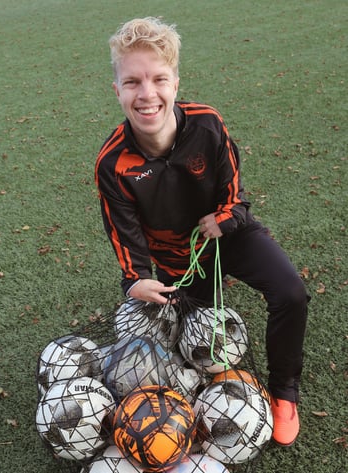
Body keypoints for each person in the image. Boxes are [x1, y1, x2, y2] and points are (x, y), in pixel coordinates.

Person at [95, 17, 309, 447]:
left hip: (231, 239)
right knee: (193, 347)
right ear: (117, 90)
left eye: (158, 79)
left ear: (175, 83)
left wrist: (225, 220)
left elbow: (237, 198)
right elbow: (124, 234)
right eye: (133, 82)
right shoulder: (112, 163)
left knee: (291, 294)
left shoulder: (208, 124)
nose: (147, 94)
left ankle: (284, 392)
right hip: (178, 260)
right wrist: (136, 279)